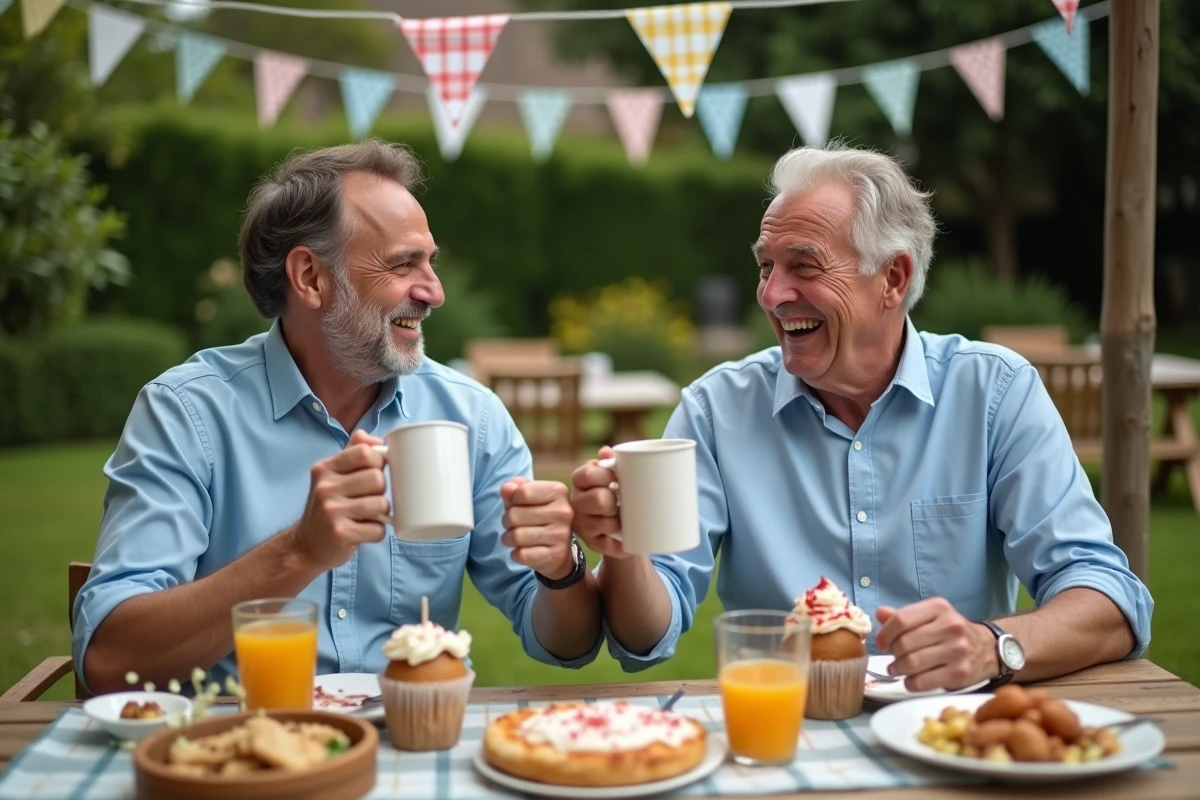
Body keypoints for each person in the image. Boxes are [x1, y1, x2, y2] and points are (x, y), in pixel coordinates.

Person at [571, 142, 1153, 692]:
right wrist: (625, 551)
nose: (772, 294)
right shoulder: (716, 410)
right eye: (766, 266)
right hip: (786, 734)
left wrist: (992, 646)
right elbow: (643, 639)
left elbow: (1110, 601)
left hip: (949, 737)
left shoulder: (993, 393)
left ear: (893, 279)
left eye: (804, 266)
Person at [73, 140, 601, 695]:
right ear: (310, 278)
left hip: (417, 743)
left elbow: (570, 644)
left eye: (430, 262)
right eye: (403, 263)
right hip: (247, 749)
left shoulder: (472, 417)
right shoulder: (187, 414)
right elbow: (111, 660)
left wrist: (560, 567)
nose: (435, 292)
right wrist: (299, 550)